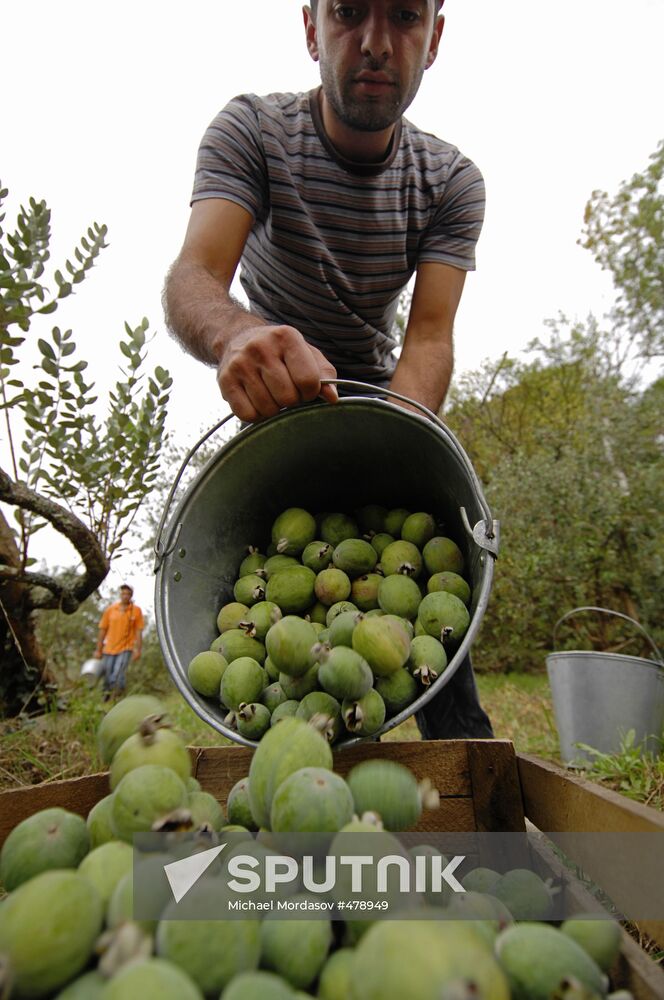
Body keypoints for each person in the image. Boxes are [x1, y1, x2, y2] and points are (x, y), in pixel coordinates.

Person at [163, 0, 493, 738]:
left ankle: (471, 772)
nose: (374, 42)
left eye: (405, 15)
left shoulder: (451, 181)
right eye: (348, 12)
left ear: (434, 37)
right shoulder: (251, 131)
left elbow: (430, 339)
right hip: (273, 410)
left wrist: (396, 445)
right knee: (253, 607)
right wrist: (234, 335)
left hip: (382, 404)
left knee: (437, 622)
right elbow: (194, 278)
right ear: (310, 26)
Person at [94, 585, 144, 694]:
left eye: (128, 594)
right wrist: (98, 649)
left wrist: (138, 650)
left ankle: (117, 696)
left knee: (117, 673)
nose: (125, 596)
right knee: (107, 674)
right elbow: (102, 630)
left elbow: (139, 631)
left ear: (131, 596)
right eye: (123, 593)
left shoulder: (136, 611)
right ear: (120, 594)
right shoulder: (111, 610)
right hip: (109, 648)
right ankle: (106, 697)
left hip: (126, 648)